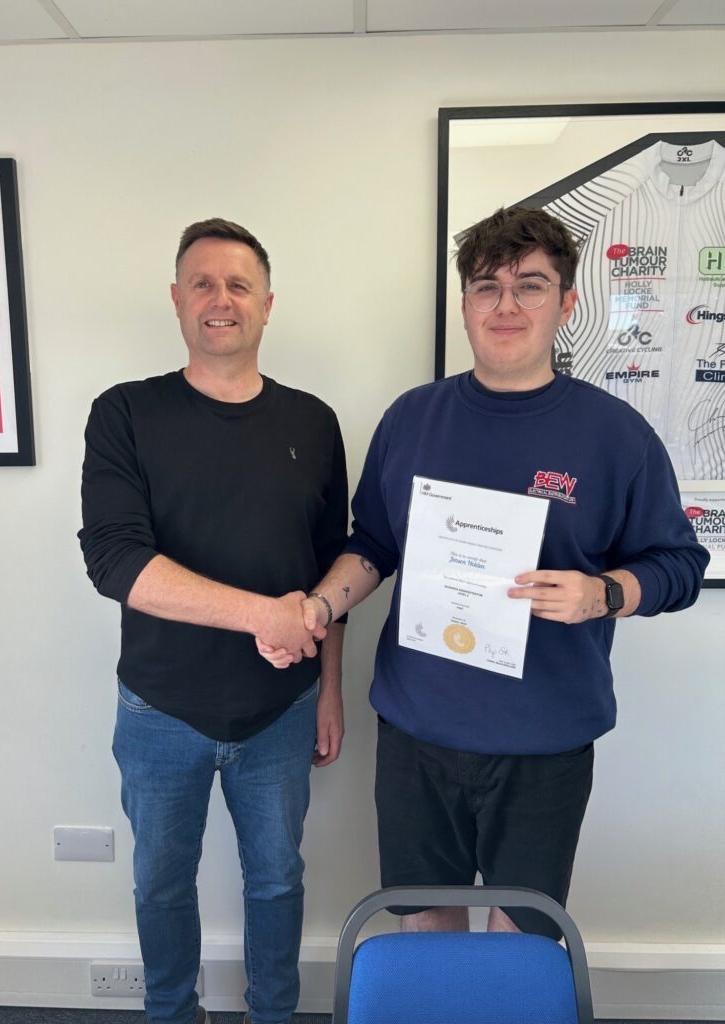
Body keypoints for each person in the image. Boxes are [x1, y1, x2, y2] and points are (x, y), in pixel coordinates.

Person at [259, 205, 709, 937]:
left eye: (530, 286)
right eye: (486, 287)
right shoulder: (412, 419)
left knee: (518, 946)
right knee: (424, 932)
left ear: (567, 303)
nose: (506, 306)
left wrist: (605, 593)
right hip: (417, 730)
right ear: (465, 304)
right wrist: (318, 605)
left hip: (544, 740)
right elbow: (373, 544)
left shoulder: (616, 436)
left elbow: (681, 564)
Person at [79, 218, 347, 1024]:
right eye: (202, 283)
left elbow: (331, 571)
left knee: (278, 881)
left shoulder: (314, 422)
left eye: (238, 284)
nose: (220, 299)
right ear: (176, 299)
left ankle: (273, 1014)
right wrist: (264, 614)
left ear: (268, 303)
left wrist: (330, 691)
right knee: (160, 883)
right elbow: (117, 563)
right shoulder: (126, 413)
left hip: (283, 711)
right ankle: (171, 1014)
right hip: (160, 709)